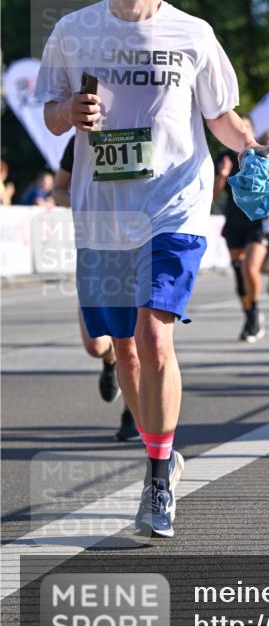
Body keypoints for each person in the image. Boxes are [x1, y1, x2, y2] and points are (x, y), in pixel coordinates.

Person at [36, 0, 269, 538]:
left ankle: (158, 475)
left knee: (153, 337)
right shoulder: (73, 31)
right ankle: (160, 446)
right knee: (124, 351)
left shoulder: (193, 34)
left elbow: (220, 116)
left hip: (174, 203)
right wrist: (70, 114)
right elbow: (51, 112)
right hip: (103, 212)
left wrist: (253, 150)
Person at [52, 136, 138, 441]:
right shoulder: (80, 140)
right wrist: (85, 203)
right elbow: (57, 191)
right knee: (96, 346)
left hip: (141, 241)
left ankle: (131, 414)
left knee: (137, 339)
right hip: (96, 246)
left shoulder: (143, 129)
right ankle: (110, 360)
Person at [214, 114, 269, 343]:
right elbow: (214, 195)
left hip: (257, 221)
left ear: (251, 132)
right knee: (239, 273)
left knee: (250, 267)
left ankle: (254, 311)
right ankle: (249, 315)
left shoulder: (260, 155)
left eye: (245, 128)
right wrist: (222, 175)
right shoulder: (225, 157)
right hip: (234, 221)